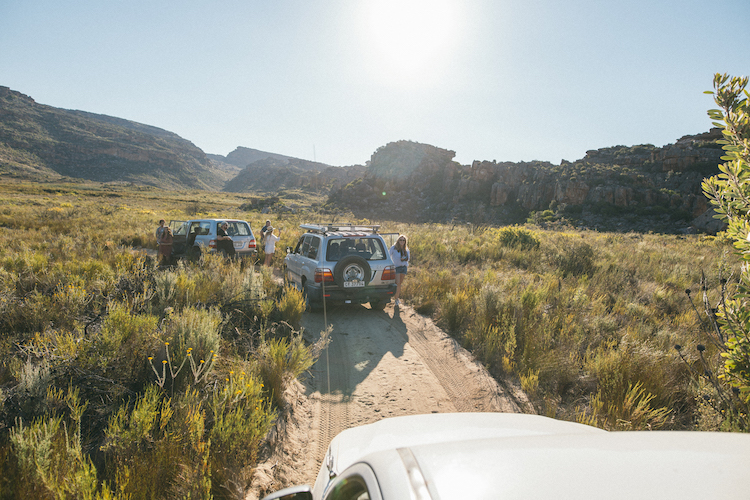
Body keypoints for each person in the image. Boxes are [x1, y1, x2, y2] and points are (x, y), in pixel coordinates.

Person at [389, 234, 410, 306]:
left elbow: (408, 259)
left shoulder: (406, 249)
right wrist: (391, 264)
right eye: (400, 240)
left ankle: (396, 297)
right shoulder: (394, 248)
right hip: (396, 267)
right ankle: (396, 299)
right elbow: (389, 255)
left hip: (403, 267)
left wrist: (404, 259)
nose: (402, 241)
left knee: (399, 284)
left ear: (405, 241)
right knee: (397, 283)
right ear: (398, 241)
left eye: (403, 240)